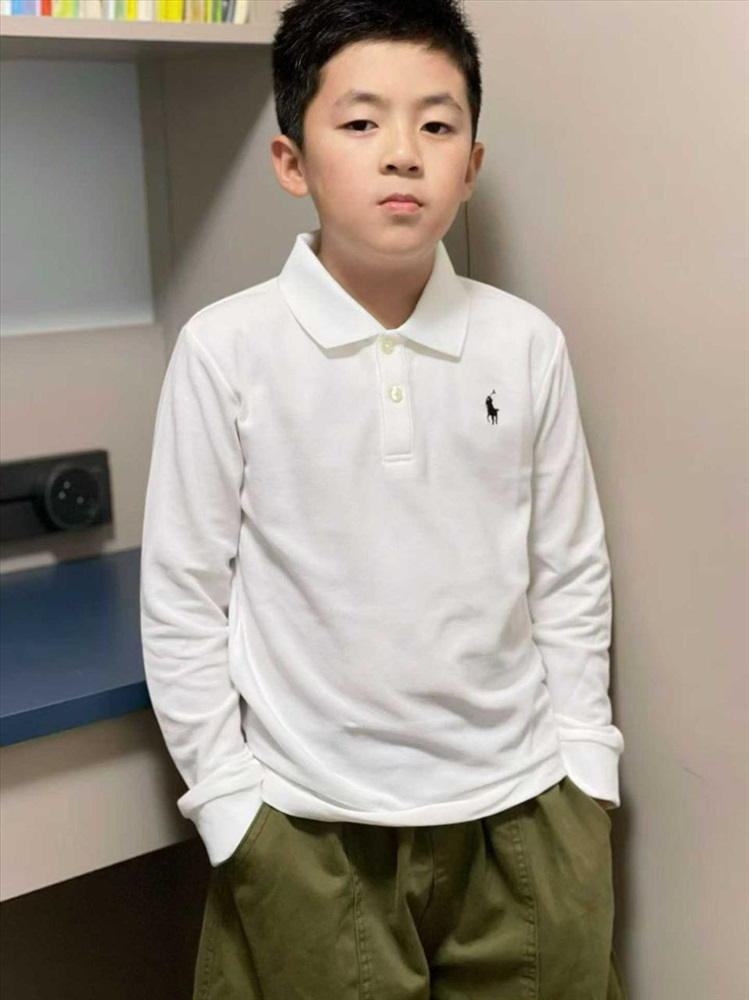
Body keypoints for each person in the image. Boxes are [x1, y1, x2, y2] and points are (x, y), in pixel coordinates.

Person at [140, 1, 627, 997]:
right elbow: (184, 595)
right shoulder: (226, 349)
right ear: (291, 161)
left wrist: (585, 768)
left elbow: (568, 569)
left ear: (470, 165)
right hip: (306, 824)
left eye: (436, 124)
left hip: (524, 808)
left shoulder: (523, 343)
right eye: (360, 122)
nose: (402, 151)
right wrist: (230, 803)